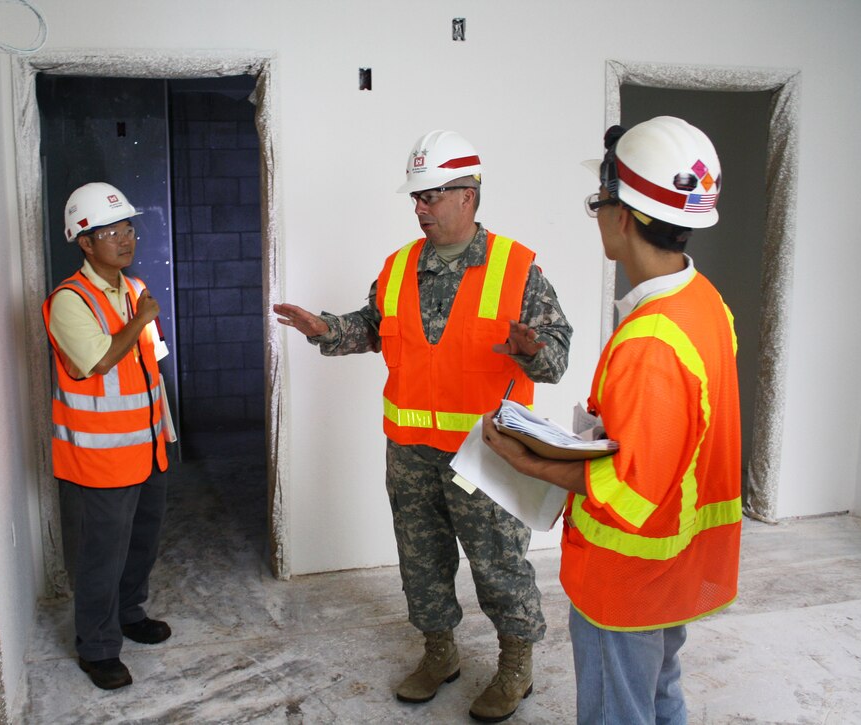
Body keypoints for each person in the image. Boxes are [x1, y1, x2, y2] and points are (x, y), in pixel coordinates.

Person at [275, 130, 572, 722]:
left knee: (499, 564)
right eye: (415, 197)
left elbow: (556, 358)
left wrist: (532, 349)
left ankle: (516, 665)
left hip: (487, 451)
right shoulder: (397, 266)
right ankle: (439, 655)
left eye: (431, 196)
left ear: (468, 195)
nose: (419, 208)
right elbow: (370, 327)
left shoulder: (518, 268)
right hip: (411, 451)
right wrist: (322, 329)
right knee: (421, 562)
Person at [481, 116, 742, 724]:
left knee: (617, 711)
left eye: (600, 201)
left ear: (623, 215)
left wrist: (527, 460)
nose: (598, 215)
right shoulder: (704, 303)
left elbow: (629, 491)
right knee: (659, 695)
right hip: (673, 568)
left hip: (625, 580)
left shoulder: (652, 341)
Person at [42, 182, 173, 690]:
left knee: (142, 543)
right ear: (84, 240)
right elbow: (98, 360)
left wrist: (165, 433)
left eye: (128, 228)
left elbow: (150, 363)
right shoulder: (68, 300)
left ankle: (129, 613)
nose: (124, 238)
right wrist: (139, 320)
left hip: (151, 446)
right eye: (110, 231)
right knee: (101, 554)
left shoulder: (134, 289)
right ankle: (96, 648)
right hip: (101, 458)